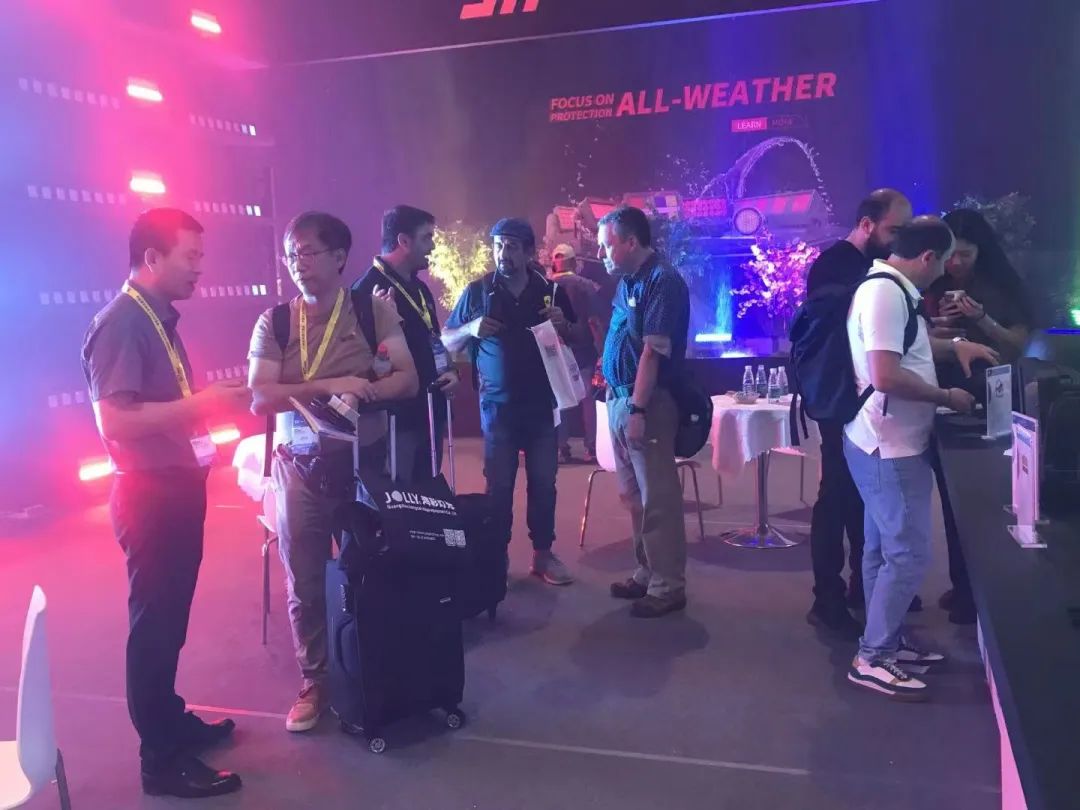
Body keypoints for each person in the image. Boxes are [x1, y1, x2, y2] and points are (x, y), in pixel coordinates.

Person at [82, 208, 250, 798]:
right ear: (152, 259)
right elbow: (115, 421)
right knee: (154, 626)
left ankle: (169, 721)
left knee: (169, 619)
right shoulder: (123, 322)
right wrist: (205, 404)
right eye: (191, 256)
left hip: (174, 486)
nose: (200, 268)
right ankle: (159, 759)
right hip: (148, 494)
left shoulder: (155, 318)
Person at [248, 212, 417, 733]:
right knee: (304, 578)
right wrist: (330, 385)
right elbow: (261, 396)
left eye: (307, 252)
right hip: (298, 468)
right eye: (290, 254)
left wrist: (365, 391)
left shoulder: (372, 311)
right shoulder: (275, 322)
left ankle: (371, 664)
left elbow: (408, 379)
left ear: (340, 257)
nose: (296, 263)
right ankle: (315, 679)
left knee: (372, 567)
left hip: (364, 464)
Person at [844, 217, 998, 699]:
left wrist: (954, 346)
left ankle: (885, 640)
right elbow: (885, 375)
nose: (949, 269)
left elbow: (905, 346)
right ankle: (873, 657)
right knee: (907, 553)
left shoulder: (887, 288)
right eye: (946, 259)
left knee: (882, 551)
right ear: (928, 257)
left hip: (881, 440)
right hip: (890, 444)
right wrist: (947, 396)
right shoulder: (887, 293)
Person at [442, 218, 576, 586]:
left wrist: (564, 325)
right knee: (498, 488)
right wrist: (470, 328)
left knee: (543, 484)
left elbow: (579, 337)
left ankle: (543, 554)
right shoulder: (478, 292)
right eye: (499, 245)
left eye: (512, 246)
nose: (503, 253)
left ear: (530, 252)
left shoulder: (550, 291)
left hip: (542, 407)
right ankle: (494, 557)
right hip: (497, 409)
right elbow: (446, 339)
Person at [805, 189, 913, 639]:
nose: (899, 240)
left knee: (861, 497)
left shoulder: (869, 268)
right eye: (894, 230)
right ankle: (827, 598)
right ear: (867, 224)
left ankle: (861, 586)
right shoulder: (837, 266)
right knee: (837, 497)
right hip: (840, 400)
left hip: (859, 400)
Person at [924, 208, 1033, 624]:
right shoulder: (934, 282)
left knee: (988, 501)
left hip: (996, 399)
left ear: (981, 251)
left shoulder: (1002, 286)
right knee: (952, 499)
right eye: (950, 254)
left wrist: (981, 318)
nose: (955, 263)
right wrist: (941, 328)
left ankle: (988, 593)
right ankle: (963, 587)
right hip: (945, 396)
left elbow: (1017, 344)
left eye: (965, 255)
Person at [598, 206, 691, 618]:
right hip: (620, 399)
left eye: (607, 245)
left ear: (631, 241)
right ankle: (646, 571)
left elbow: (653, 351)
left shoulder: (661, 280)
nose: (601, 254)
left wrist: (636, 407)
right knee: (633, 496)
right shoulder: (629, 281)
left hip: (647, 403)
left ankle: (668, 585)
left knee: (658, 498)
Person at [353, 205, 459, 482]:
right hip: (396, 420)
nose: (433, 246)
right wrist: (385, 325)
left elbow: (433, 339)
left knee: (428, 492)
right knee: (401, 496)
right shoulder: (365, 291)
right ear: (404, 241)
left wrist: (449, 370)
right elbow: (365, 365)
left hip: (430, 411)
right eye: (427, 237)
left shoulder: (420, 288)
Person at [548, 243, 606, 463]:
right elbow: (594, 320)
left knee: (559, 397)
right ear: (573, 262)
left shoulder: (546, 286)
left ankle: (560, 447)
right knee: (588, 398)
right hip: (582, 351)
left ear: (554, 263)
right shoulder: (585, 286)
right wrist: (602, 349)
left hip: (555, 351)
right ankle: (591, 447)